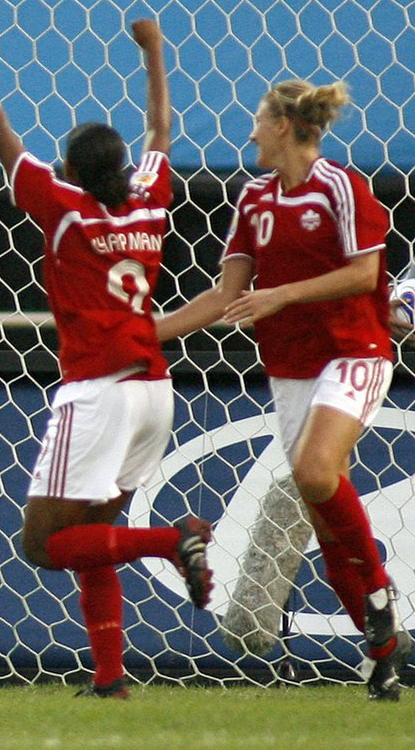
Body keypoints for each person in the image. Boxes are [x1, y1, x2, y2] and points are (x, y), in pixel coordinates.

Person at [0, 18, 212, 699]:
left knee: (41, 545)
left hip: (97, 392)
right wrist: (155, 51)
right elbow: (160, 129)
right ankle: (110, 677)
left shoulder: (62, 206)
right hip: (155, 392)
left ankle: (171, 540)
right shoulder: (151, 197)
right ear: (121, 169)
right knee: (93, 532)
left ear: (69, 172)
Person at [156, 79, 411, 701]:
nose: (249, 133)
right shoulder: (253, 199)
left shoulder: (342, 188)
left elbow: (364, 273)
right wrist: (137, 337)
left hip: (355, 352)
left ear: (285, 127)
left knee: (318, 473)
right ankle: (383, 652)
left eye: (257, 121)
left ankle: (377, 594)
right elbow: (224, 296)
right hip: (291, 368)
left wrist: (283, 294)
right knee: (325, 520)